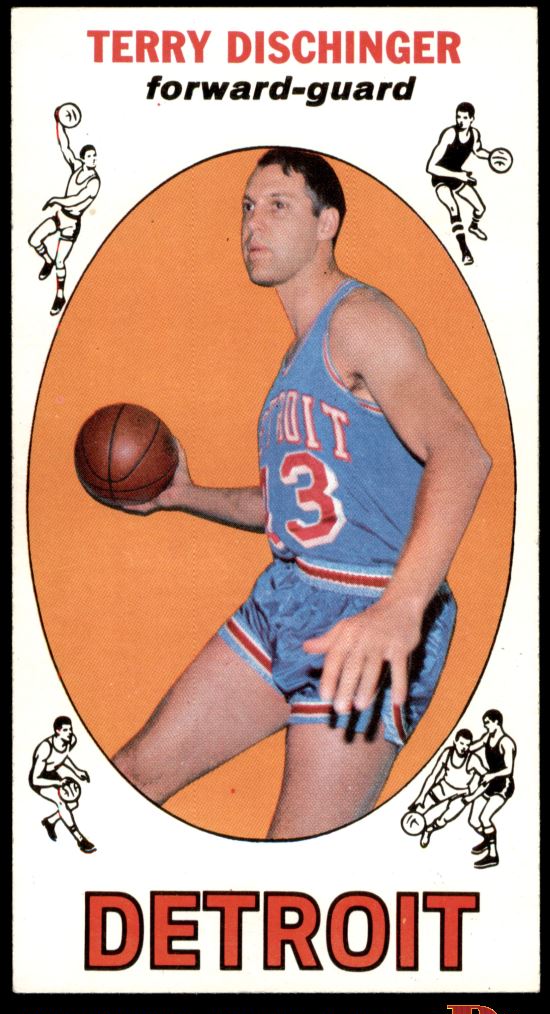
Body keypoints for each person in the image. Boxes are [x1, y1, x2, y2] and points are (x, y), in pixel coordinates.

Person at [111, 147, 491, 839]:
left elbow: (463, 454)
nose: (252, 224)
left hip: (370, 606)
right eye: (247, 208)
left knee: (295, 853)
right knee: (132, 776)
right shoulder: (298, 356)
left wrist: (401, 608)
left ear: (326, 224)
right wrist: (180, 495)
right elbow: (284, 509)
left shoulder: (361, 320)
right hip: (290, 592)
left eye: (277, 205)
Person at [28, 113, 100, 316]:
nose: (94, 159)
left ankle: (60, 296)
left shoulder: (94, 182)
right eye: (90, 156)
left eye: (95, 156)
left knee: (61, 262)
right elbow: (64, 146)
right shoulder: (76, 167)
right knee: (34, 240)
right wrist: (59, 121)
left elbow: (76, 200)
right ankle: (47, 260)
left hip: (71, 224)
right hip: (61, 216)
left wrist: (56, 199)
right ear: (83, 159)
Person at [426, 102, 491, 266]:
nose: (461, 121)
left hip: (458, 176)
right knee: (454, 208)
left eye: (464, 118)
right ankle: (465, 252)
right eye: (458, 117)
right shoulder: (450, 134)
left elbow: (478, 151)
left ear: (472, 119)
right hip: (440, 177)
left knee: (480, 208)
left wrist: (491, 156)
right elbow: (431, 167)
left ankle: (473, 227)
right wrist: (459, 175)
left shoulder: (474, 134)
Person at [409, 728, 485, 848]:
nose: (464, 747)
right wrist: (421, 796)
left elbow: (487, 777)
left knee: (445, 818)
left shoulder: (473, 759)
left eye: (467, 745)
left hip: (462, 793)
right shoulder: (447, 753)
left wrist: (474, 794)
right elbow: (433, 776)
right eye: (461, 743)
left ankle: (429, 830)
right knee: (420, 810)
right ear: (455, 741)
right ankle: (416, 827)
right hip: (444, 787)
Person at [29, 716, 95, 852]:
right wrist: (58, 782)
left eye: (70, 729)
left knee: (73, 803)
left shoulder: (71, 740)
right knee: (62, 803)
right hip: (40, 780)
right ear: (57, 731)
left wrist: (77, 771)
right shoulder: (45, 748)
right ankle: (80, 840)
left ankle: (50, 821)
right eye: (65, 730)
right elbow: (36, 779)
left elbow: (63, 757)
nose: (70, 732)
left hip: (52, 774)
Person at [466, 709, 516, 868]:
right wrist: (462, 747)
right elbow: (474, 746)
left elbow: (509, 769)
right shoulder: (488, 736)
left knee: (485, 818)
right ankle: (488, 839)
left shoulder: (506, 742)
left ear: (496, 722)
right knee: (473, 820)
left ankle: (493, 855)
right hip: (490, 782)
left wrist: (491, 775)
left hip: (503, 785)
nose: (485, 726)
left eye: (487, 723)